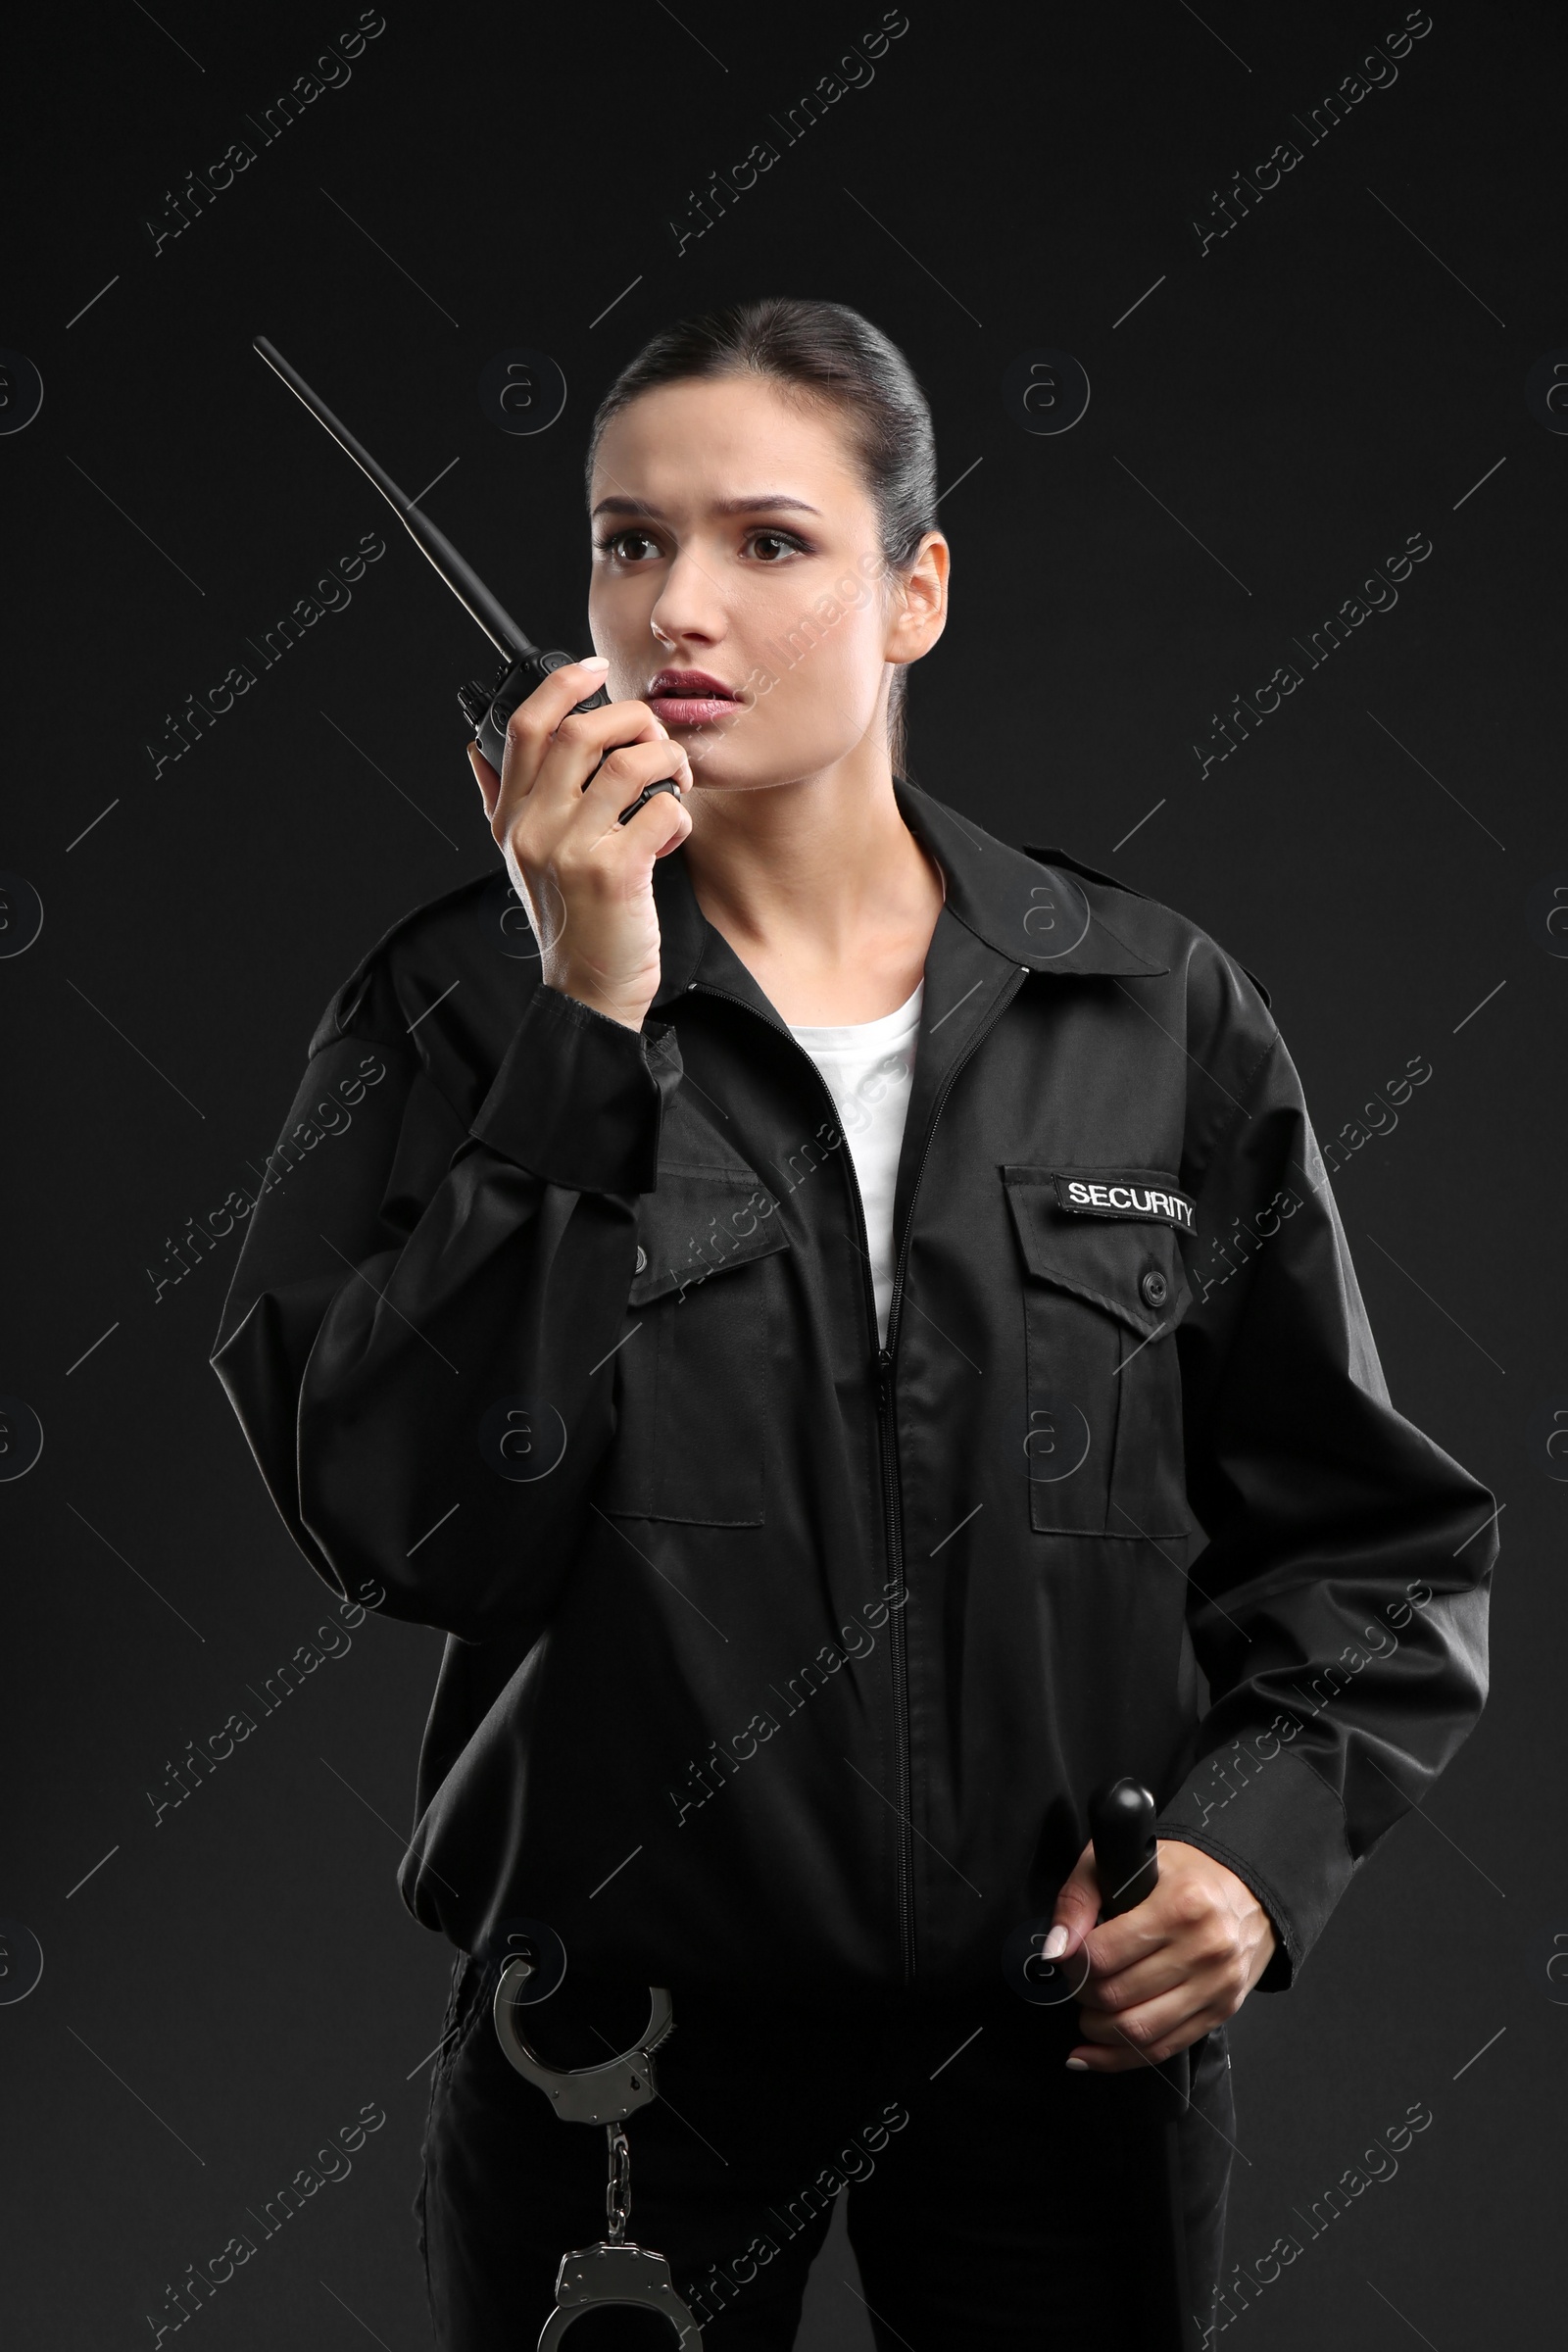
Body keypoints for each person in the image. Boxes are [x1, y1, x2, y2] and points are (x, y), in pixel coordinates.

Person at [210, 297, 1495, 2351]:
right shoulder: (452, 1013)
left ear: (916, 592)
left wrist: (1252, 1865)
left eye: (767, 543)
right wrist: (586, 1022)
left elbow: (1373, 1550)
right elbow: (416, 1532)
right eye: (628, 545)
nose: (674, 610)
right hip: (607, 2067)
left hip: (1058, 2060)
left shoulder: (1150, 1010)